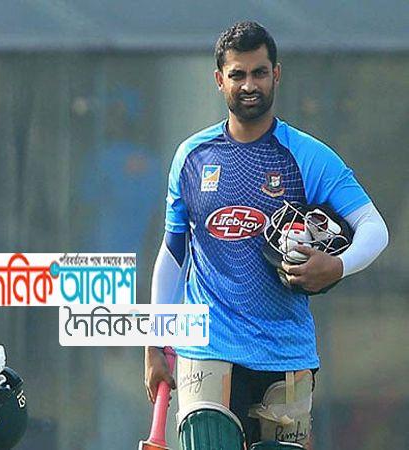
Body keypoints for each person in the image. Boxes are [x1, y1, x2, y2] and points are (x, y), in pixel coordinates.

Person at [143, 21, 389, 450]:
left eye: (259, 72)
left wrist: (337, 266)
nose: (249, 85)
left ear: (276, 74)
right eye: (237, 74)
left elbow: (374, 228)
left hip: (286, 352)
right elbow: (173, 255)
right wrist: (154, 344)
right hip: (208, 348)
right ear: (219, 80)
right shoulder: (191, 156)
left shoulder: (308, 157)